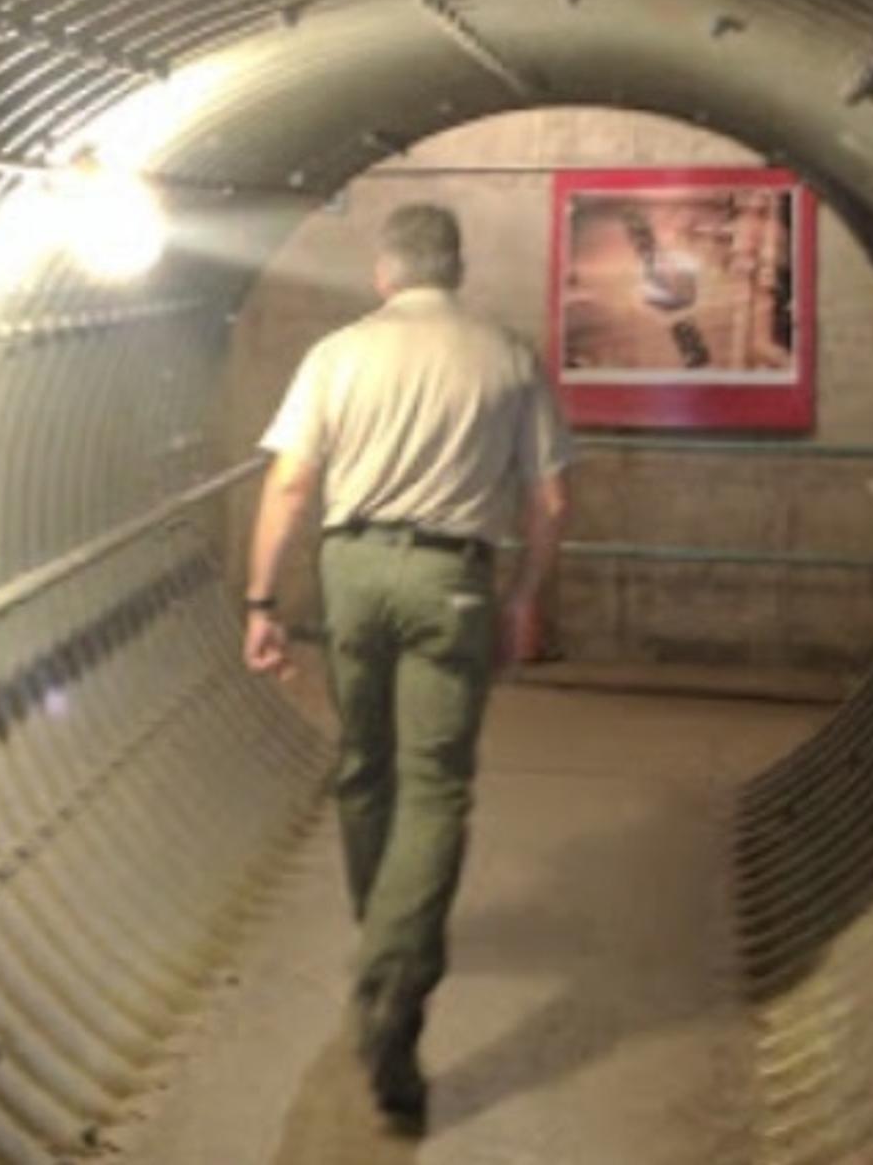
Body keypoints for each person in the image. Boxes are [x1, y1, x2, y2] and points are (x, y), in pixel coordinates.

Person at [242, 202, 571, 1132]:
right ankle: (394, 981)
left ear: (384, 272)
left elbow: (293, 480)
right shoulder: (507, 353)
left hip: (352, 569)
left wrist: (262, 603)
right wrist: (524, 595)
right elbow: (549, 496)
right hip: (451, 578)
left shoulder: (338, 353)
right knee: (435, 789)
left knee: (363, 767)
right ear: (455, 270)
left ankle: (379, 930)